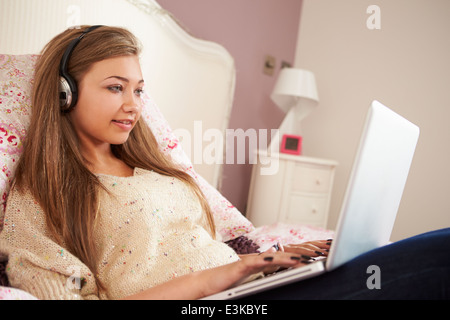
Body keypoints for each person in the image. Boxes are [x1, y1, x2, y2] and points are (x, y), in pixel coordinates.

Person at [0, 25, 448, 300]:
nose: (134, 105)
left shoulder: (155, 170)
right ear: (65, 94)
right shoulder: (40, 197)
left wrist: (259, 265)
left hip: (249, 290)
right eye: (116, 87)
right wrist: (224, 276)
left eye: (139, 90)